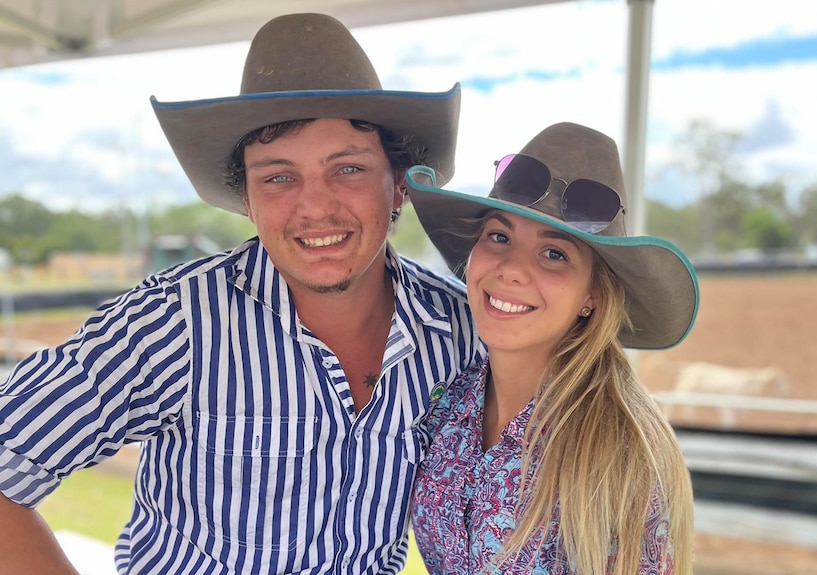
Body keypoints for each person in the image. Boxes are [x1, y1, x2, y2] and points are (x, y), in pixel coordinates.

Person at [0, 13, 484, 575]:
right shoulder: (171, 321)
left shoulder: (460, 331)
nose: (315, 207)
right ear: (246, 201)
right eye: (278, 177)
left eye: (348, 168)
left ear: (398, 184)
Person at [405, 122, 699, 574]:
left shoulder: (618, 452)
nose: (512, 270)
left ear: (592, 296)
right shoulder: (449, 401)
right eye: (499, 237)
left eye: (554, 254)